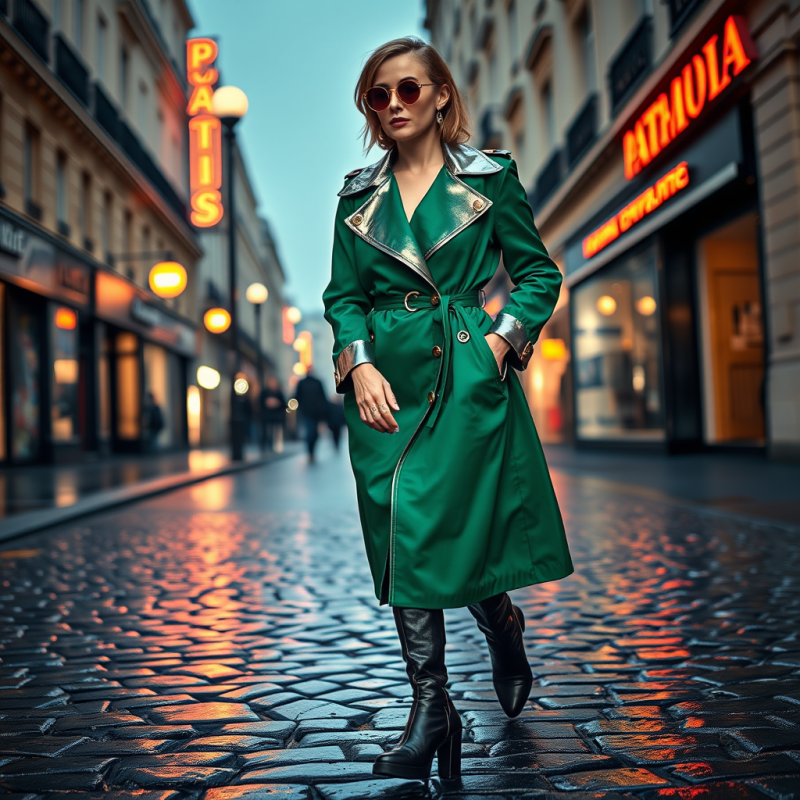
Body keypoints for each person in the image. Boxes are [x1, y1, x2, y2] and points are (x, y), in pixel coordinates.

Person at [322, 37, 574, 782]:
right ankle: (433, 711)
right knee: (408, 530)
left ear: (439, 97)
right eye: (378, 96)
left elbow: (536, 274)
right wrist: (357, 361)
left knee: (451, 531)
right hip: (386, 386)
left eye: (407, 90)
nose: (393, 105)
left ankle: (503, 628)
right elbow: (343, 298)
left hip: (466, 369)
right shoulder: (355, 196)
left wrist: (499, 345)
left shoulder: (491, 179)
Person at [292, 367, 329, 462]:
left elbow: (296, 397)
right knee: (311, 433)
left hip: (310, 412)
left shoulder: (306, 383)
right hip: (310, 413)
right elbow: (323, 399)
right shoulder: (316, 383)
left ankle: (311, 451)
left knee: (312, 433)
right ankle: (310, 452)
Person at [260, 375, 287, 453]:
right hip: (266, 416)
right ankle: (264, 446)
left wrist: (277, 403)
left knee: (275, 431)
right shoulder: (264, 392)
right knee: (266, 431)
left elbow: (283, 404)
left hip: (276, 416)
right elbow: (260, 403)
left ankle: (274, 446)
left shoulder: (279, 393)